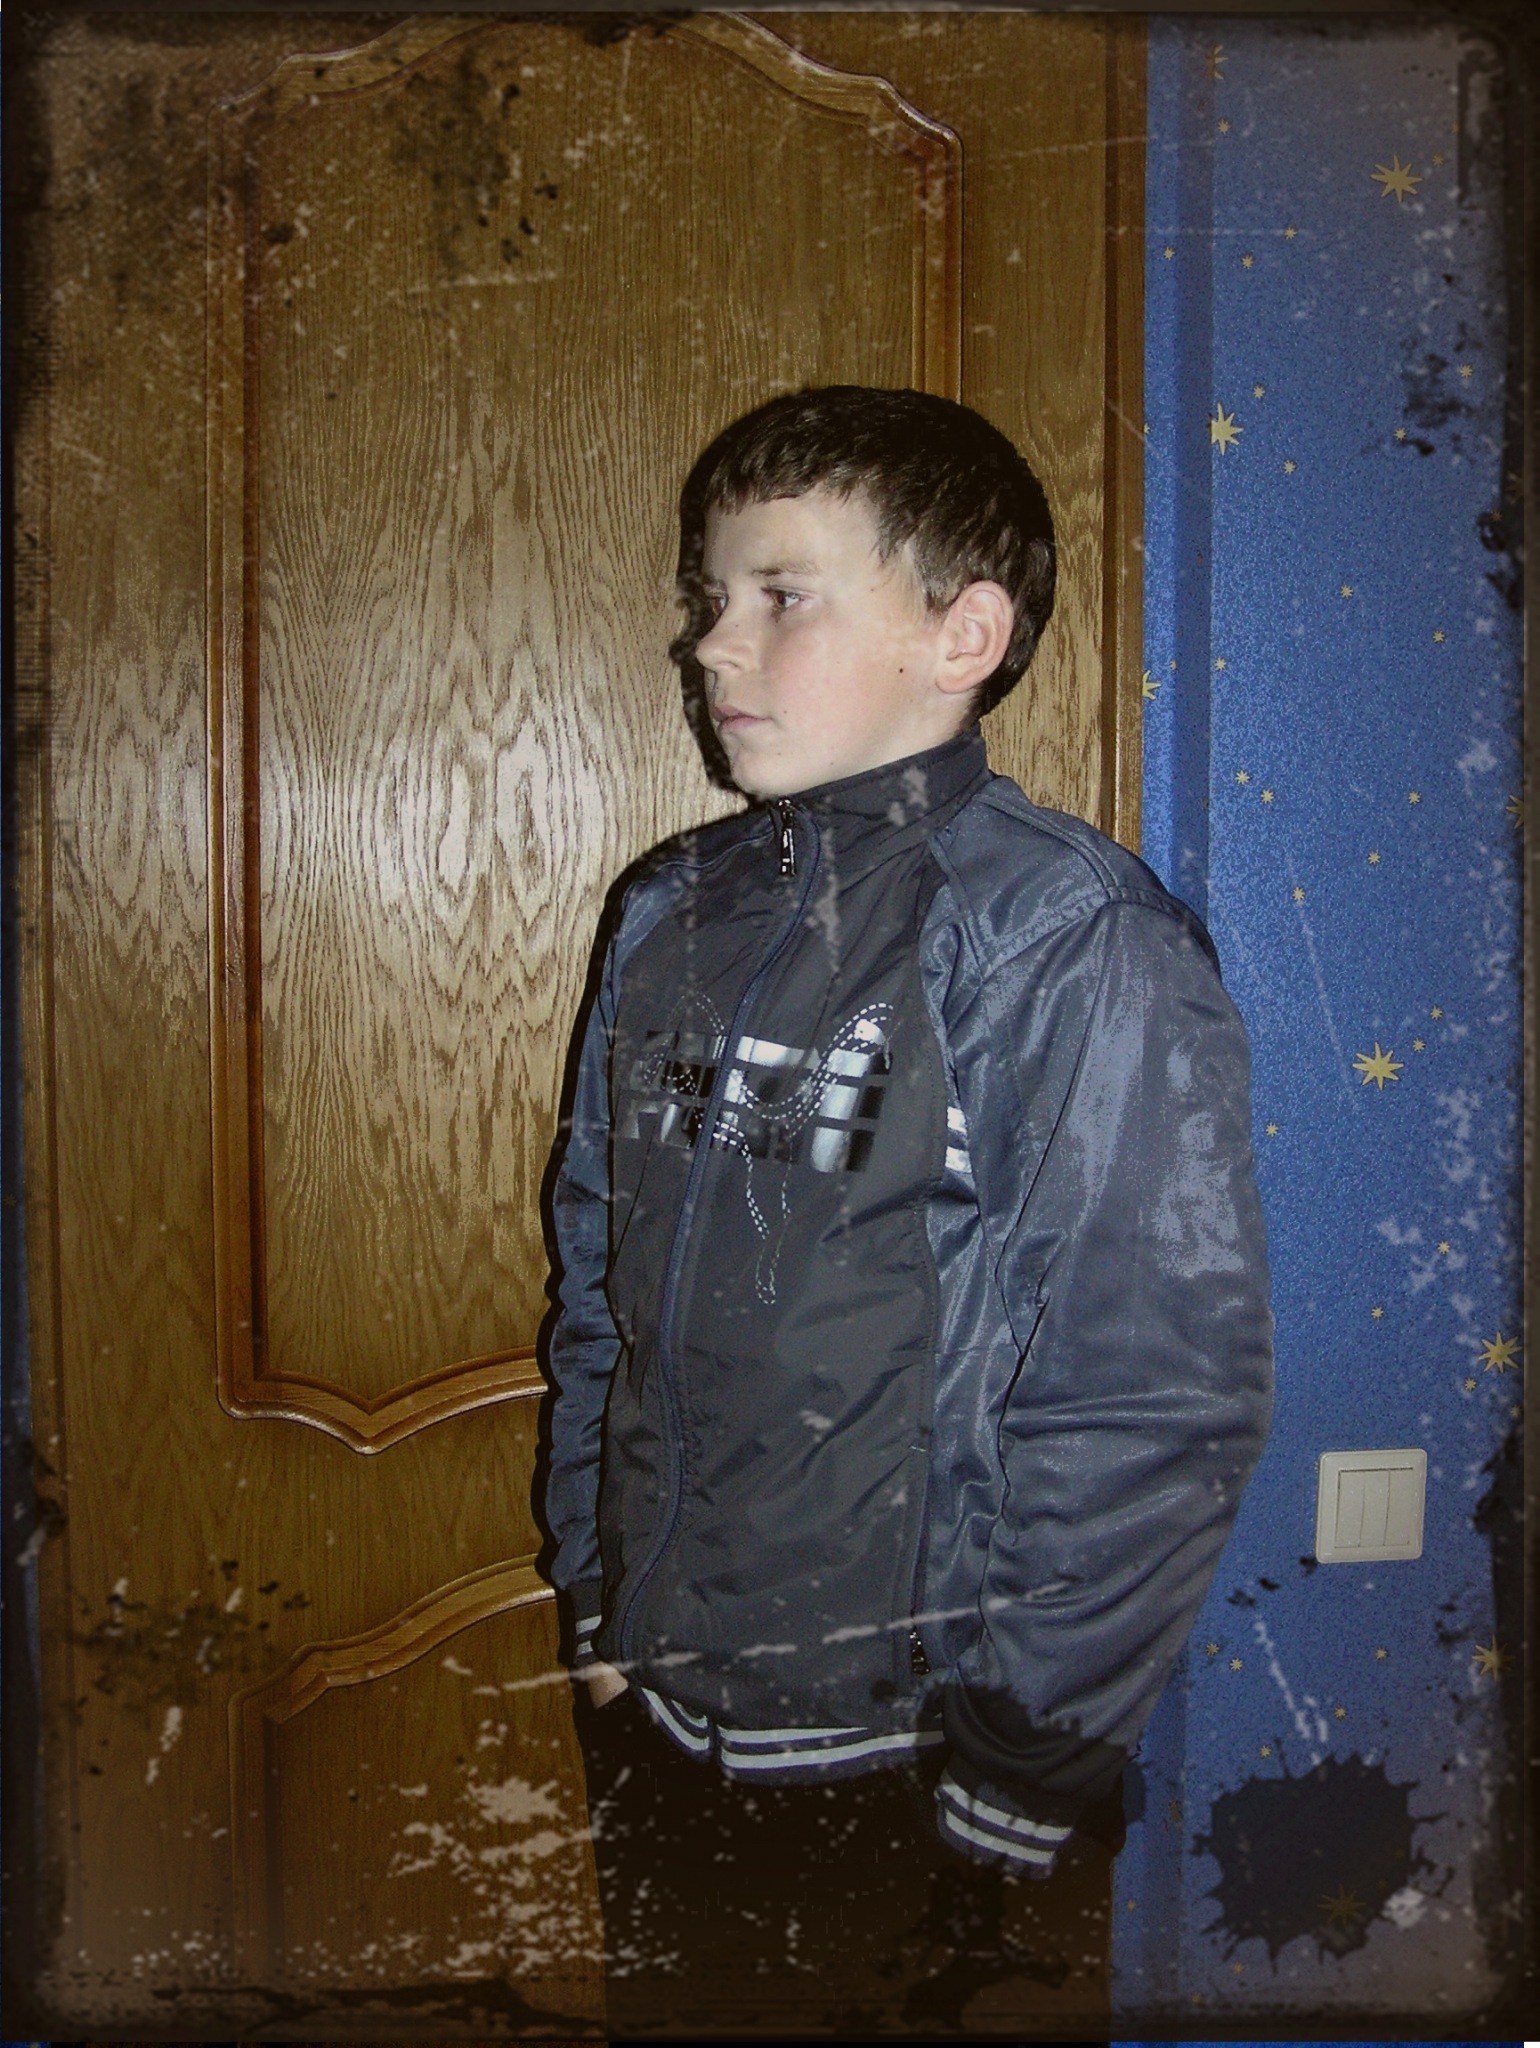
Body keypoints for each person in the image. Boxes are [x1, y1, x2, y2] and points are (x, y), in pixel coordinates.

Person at [541, 386, 1274, 2030]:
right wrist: (592, 1592)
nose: (712, 645)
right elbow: (598, 1283)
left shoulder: (1069, 942)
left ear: (965, 634)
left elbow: (1149, 1394)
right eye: (710, 597)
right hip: (657, 1703)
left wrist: (1022, 1766)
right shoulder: (667, 912)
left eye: (780, 596)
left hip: (924, 1764)